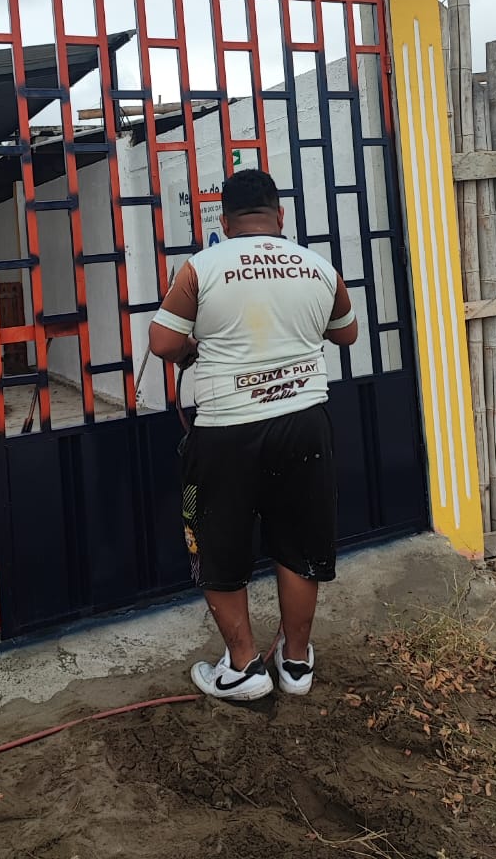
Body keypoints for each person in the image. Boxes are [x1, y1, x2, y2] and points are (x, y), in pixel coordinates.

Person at [148, 169, 358, 701]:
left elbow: (163, 342)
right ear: (279, 214)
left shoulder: (201, 268)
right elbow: (347, 333)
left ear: (224, 220)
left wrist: (196, 348)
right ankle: (295, 663)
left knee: (219, 542)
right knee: (300, 542)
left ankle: (244, 668)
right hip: (304, 422)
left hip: (227, 430)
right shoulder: (318, 267)